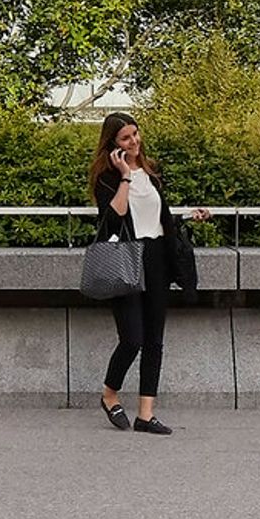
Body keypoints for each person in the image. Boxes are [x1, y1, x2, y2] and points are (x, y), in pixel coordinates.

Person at [90, 111, 207, 435]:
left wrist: (187, 217)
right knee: (132, 338)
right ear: (113, 144)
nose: (134, 141)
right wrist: (125, 175)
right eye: (126, 138)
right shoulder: (107, 177)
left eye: (136, 134)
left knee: (154, 340)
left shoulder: (152, 171)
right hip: (126, 257)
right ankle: (109, 394)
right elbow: (114, 220)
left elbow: (157, 218)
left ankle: (146, 414)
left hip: (156, 257)